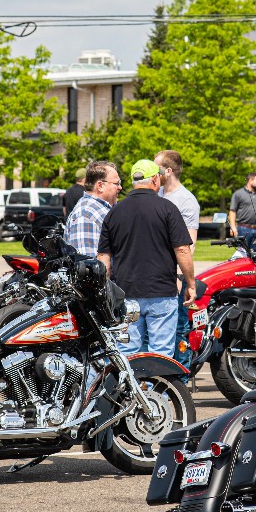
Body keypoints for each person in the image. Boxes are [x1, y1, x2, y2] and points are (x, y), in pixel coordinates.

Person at [97, 159, 195, 358]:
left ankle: (129, 389)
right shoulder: (167, 209)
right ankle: (155, 389)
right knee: (161, 354)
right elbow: (183, 250)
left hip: (126, 293)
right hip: (161, 291)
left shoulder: (114, 212)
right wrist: (191, 284)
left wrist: (106, 290)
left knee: (127, 353)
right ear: (155, 180)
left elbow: (103, 257)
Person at [156, 150, 200, 358]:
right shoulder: (157, 194)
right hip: (155, 276)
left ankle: (180, 383)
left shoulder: (186, 200)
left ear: (169, 171)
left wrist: (179, 276)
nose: (154, 174)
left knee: (178, 332)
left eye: (157, 169)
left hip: (173, 278)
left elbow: (188, 245)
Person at [65, 161, 121, 256]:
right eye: (116, 183)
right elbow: (88, 265)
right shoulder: (85, 216)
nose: (120, 187)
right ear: (100, 186)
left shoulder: (104, 208)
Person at [228, 172, 256, 250]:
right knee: (243, 253)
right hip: (243, 229)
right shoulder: (238, 194)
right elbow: (232, 211)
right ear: (250, 181)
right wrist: (233, 227)